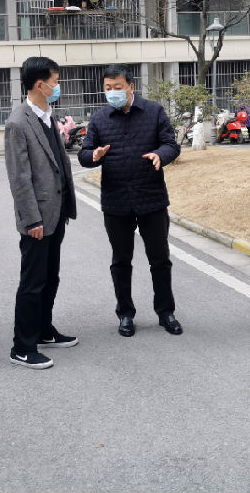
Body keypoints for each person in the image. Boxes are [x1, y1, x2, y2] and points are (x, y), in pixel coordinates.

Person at [78, 64, 182, 338]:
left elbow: (171, 144)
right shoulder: (99, 119)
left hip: (151, 198)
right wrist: (94, 156)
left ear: (131, 87)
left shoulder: (153, 111)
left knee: (160, 259)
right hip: (116, 201)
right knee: (121, 261)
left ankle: (166, 312)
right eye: (108, 88)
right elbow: (84, 154)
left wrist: (161, 155)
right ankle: (125, 313)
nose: (112, 92)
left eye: (118, 87)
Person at [4, 56, 78, 370]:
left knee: (50, 277)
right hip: (37, 219)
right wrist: (31, 219)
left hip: (56, 213)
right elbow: (19, 178)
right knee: (32, 282)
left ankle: (44, 330)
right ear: (39, 84)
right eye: (55, 81)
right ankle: (22, 346)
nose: (57, 87)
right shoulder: (18, 123)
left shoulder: (48, 115)